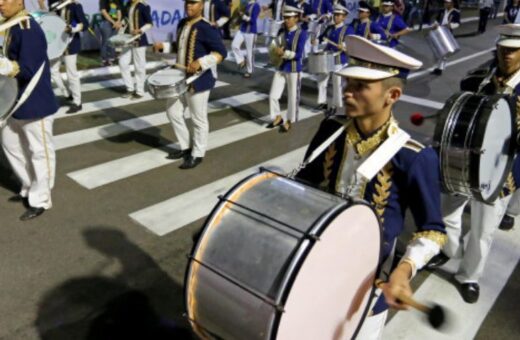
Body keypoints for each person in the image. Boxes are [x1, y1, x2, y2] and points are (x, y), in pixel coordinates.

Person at [296, 35, 446, 338]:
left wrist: (404, 271)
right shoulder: (330, 129)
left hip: (368, 285)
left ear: (391, 95)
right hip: (316, 265)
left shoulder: (413, 156)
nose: (348, 93)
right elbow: (304, 183)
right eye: (348, 83)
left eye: (360, 87)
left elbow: (433, 231)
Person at [428, 25, 520, 303]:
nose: (506, 55)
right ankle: (448, 251)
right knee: (447, 216)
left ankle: (468, 276)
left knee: (482, 230)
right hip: (462, 159)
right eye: (502, 49)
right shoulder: (479, 78)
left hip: (501, 171)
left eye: (513, 50)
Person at [0, 0, 59, 220]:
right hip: (12, 102)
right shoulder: (11, 25)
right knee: (11, 145)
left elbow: (28, 69)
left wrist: (3, 66)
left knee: (39, 152)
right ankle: (29, 186)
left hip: (34, 101)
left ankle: (41, 198)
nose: (1, 3)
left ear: (19, 1)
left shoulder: (28, 29)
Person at [154, 0, 227, 169]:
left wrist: (201, 62)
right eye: (187, 3)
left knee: (198, 119)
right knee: (173, 112)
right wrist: (163, 46)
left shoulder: (206, 27)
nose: (189, 6)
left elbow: (221, 53)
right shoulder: (182, 23)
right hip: (180, 78)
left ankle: (198, 153)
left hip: (199, 80)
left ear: (201, 5)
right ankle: (186, 147)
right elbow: (179, 46)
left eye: (193, 3)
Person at [267, 5, 307, 133]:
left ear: (296, 18)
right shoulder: (282, 33)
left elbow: (299, 54)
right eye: (285, 17)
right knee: (273, 95)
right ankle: (277, 117)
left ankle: (290, 120)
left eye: (289, 18)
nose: (286, 20)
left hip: (294, 69)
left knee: (292, 97)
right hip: (281, 67)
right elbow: (274, 46)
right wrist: (275, 51)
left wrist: (283, 53)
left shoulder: (301, 33)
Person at [49, 0, 88, 114]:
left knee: (71, 73)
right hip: (56, 44)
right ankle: (67, 94)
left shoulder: (74, 5)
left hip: (70, 44)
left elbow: (84, 24)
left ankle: (77, 102)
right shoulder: (55, 5)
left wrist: (72, 28)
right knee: (53, 70)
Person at [313, 4, 350, 113]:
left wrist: (344, 46)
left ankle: (335, 107)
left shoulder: (347, 29)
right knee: (322, 81)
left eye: (339, 15)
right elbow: (321, 38)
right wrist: (317, 41)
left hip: (339, 59)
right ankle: (322, 102)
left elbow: (351, 43)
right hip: (327, 58)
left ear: (344, 17)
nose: (336, 17)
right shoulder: (330, 28)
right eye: (335, 15)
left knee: (337, 85)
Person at [119, 0, 152, 99]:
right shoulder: (128, 4)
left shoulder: (143, 6)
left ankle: (139, 91)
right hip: (127, 39)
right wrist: (121, 25)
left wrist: (140, 30)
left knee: (139, 66)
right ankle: (130, 88)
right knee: (122, 63)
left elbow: (149, 23)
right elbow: (126, 20)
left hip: (139, 39)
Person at [231, 0, 260, 78]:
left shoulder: (256, 6)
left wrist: (242, 16)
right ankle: (241, 60)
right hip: (242, 29)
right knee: (234, 45)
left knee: (249, 52)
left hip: (251, 32)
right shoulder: (246, 4)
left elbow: (253, 20)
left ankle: (249, 71)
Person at [432, 0, 460, 75]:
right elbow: (437, 20)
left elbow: (457, 23)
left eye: (447, 2)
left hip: (448, 34)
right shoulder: (442, 11)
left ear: (452, 3)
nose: (445, 3)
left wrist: (450, 25)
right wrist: (435, 24)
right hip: (439, 32)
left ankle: (440, 68)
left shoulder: (456, 12)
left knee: (444, 52)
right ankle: (436, 67)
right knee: (437, 50)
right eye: (444, 2)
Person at [99, 0, 123, 66]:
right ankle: (104, 60)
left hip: (115, 24)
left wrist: (118, 21)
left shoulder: (117, 1)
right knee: (106, 42)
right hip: (106, 23)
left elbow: (119, 11)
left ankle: (111, 59)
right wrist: (113, 22)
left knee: (113, 42)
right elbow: (104, 12)